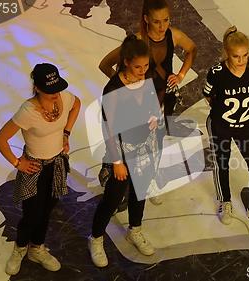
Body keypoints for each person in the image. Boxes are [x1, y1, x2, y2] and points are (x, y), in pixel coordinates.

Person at [0, 63, 81, 275]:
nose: (56, 94)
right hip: (34, 167)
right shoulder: (28, 111)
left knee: (47, 210)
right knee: (31, 213)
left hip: (57, 163)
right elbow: (0, 139)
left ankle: (37, 248)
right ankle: (20, 249)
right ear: (38, 88)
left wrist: (66, 133)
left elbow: (77, 104)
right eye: (51, 90)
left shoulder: (64, 98)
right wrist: (17, 162)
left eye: (58, 88)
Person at [88, 34, 162, 267]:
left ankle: (135, 230)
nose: (143, 71)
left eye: (146, 66)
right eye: (138, 66)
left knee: (139, 192)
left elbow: (151, 103)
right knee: (112, 197)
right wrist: (117, 162)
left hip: (144, 146)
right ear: (127, 62)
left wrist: (153, 116)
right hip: (120, 150)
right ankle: (96, 237)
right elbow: (107, 128)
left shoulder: (146, 76)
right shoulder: (113, 89)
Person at [203, 26, 249, 228]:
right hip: (221, 125)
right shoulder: (217, 73)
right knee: (222, 164)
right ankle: (225, 201)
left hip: (247, 125)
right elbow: (208, 95)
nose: (241, 60)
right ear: (227, 54)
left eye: (245, 55)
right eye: (236, 56)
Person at [99, 0, 197, 126]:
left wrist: (181, 75)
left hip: (165, 96)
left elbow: (192, 49)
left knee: (160, 131)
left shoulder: (174, 35)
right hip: (143, 102)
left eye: (166, 20)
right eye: (156, 22)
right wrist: (125, 85)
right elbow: (105, 64)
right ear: (146, 19)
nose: (162, 26)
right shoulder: (138, 42)